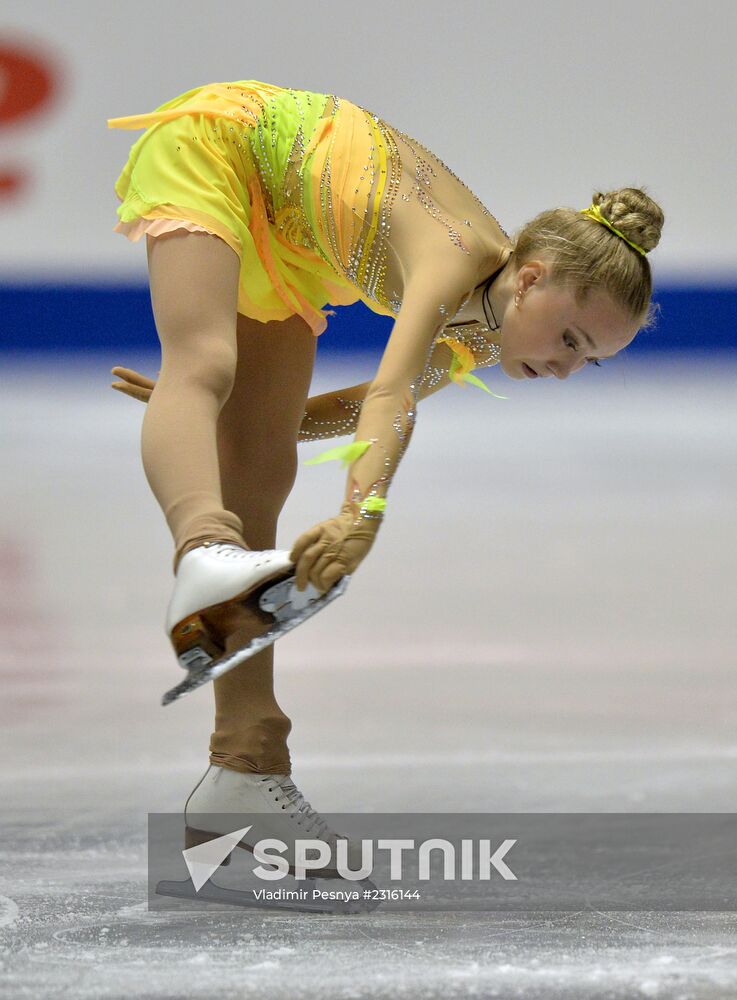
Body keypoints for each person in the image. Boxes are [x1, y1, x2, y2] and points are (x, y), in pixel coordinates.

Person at [107, 79, 664, 873]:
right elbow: (392, 396)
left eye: (591, 359)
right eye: (571, 339)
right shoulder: (455, 259)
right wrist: (360, 511)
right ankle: (204, 550)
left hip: (292, 230)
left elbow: (355, 408)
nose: (567, 369)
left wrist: (243, 420)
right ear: (532, 276)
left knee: (260, 460)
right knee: (203, 363)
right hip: (230, 146)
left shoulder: (479, 327)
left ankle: (244, 765)